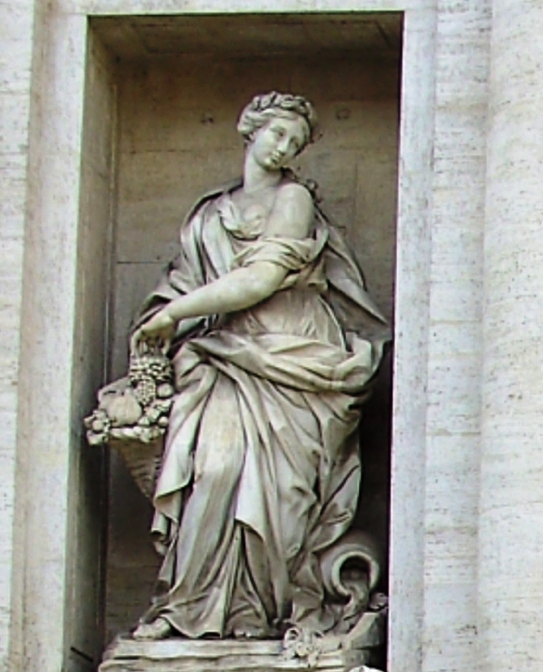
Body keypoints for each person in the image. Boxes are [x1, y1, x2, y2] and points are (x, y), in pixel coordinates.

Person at [128, 93, 386, 643]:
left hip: (292, 356)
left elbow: (260, 281)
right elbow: (184, 280)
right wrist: (164, 317)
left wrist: (176, 313)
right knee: (216, 471)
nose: (284, 146)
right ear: (251, 130)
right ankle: (189, 608)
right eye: (277, 134)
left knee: (281, 498)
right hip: (224, 355)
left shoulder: (293, 200)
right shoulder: (207, 215)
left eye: (295, 141)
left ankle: (258, 614)